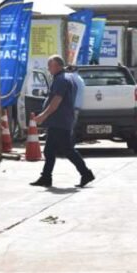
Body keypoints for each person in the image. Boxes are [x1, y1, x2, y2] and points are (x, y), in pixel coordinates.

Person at [31, 56, 94, 188]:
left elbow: (56, 101)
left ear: (58, 66)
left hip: (60, 121)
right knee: (50, 150)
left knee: (67, 150)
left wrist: (43, 115)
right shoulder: (64, 78)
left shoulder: (61, 79)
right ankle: (46, 177)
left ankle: (86, 173)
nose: (48, 69)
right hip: (58, 120)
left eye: (50, 66)